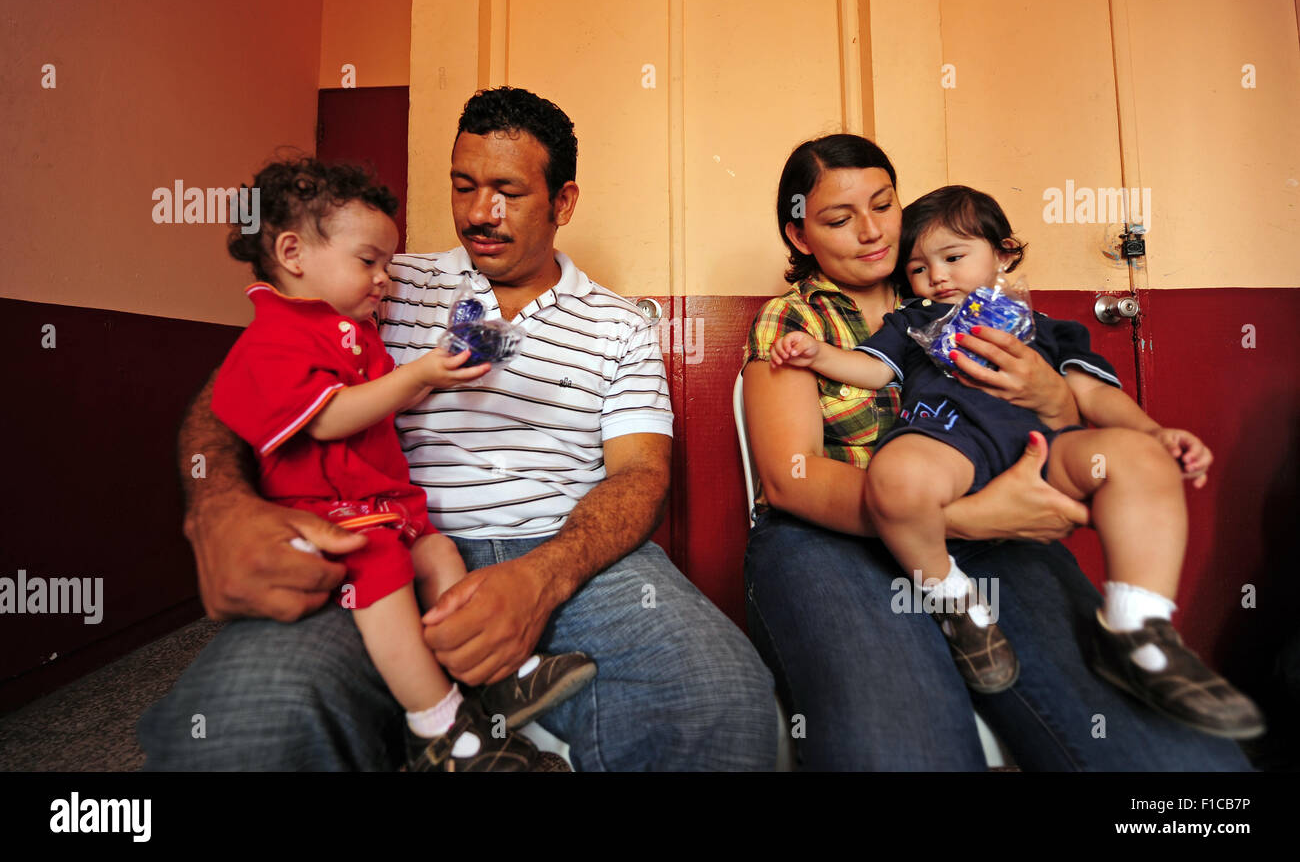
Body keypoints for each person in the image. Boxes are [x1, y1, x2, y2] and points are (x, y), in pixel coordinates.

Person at [139, 87, 776, 771]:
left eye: (506, 190)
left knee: (722, 697)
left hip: (565, 549)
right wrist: (219, 507)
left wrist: (543, 577)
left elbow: (640, 475)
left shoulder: (620, 325)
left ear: (563, 202)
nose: (479, 212)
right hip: (380, 540)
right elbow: (239, 390)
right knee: (244, 719)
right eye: (464, 185)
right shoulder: (380, 281)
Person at [742, 133, 1252, 770]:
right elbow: (792, 482)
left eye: (884, 205)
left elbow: (1065, 420)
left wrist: (1053, 395)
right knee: (900, 752)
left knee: (1186, 764)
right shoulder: (795, 322)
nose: (873, 232)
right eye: (840, 219)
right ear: (800, 235)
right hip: (830, 539)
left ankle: (1138, 639)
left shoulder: (965, 291)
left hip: (992, 541)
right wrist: (966, 517)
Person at [210, 157, 598, 771]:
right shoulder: (277, 334)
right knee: (386, 572)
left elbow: (385, 397)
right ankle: (438, 729)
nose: (384, 279)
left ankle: (496, 676)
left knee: (438, 554)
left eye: (387, 264)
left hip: (382, 509)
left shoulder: (346, 326)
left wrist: (440, 368)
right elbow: (330, 417)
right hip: (329, 519)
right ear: (292, 252)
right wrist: (422, 371)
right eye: (369, 262)